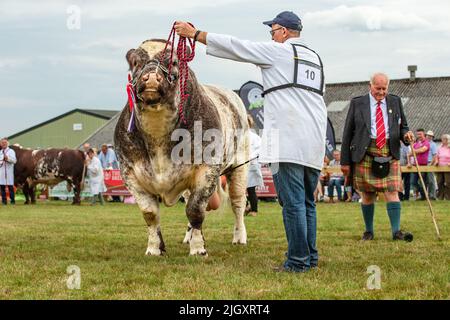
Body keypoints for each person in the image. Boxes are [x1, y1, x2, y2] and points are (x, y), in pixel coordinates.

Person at [175, 10, 327, 273]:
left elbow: (238, 47)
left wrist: (195, 35)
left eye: (273, 31)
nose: (271, 36)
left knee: (292, 204)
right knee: (307, 203)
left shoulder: (279, 51)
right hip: (313, 139)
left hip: (287, 140)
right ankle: (309, 257)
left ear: (284, 32)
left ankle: (298, 261)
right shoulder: (315, 58)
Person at [341, 73, 414, 242]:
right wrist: (345, 161)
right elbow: (347, 134)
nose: (381, 92)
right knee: (367, 194)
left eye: (384, 88)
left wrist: (406, 135)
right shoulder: (357, 103)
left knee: (392, 191)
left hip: (390, 151)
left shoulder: (395, 101)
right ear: (370, 85)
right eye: (378, 88)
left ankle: (396, 232)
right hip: (365, 152)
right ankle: (368, 232)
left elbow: (403, 127)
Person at [245, 115, 263, 217]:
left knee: (251, 189)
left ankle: (254, 210)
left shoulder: (255, 137)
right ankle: (246, 206)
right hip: (240, 166)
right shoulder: (238, 136)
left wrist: (250, 158)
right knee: (238, 189)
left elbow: (259, 150)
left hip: (251, 165)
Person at [409, 129, 430, 201]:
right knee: (413, 182)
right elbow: (410, 153)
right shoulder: (416, 143)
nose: (419, 136)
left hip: (423, 165)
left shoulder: (427, 143)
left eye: (420, 134)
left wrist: (415, 150)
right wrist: (409, 163)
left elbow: (422, 150)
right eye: (417, 134)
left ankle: (424, 197)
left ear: (424, 134)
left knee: (422, 182)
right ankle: (423, 195)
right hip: (415, 165)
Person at [432, 134, 450, 200]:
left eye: (443, 139)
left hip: (448, 168)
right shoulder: (440, 148)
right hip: (439, 167)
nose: (441, 140)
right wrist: (436, 161)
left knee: (448, 182)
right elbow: (437, 156)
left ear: (447, 140)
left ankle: (448, 197)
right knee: (439, 182)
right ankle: (440, 197)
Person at [0, 138, 17, 205]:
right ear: (0, 144)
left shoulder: (11, 151)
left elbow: (14, 161)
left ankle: (12, 201)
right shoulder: (0, 152)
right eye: (2, 143)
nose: (3, 144)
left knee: (10, 187)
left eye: (5, 142)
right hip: (1, 172)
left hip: (9, 171)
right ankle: (4, 202)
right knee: (2, 187)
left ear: (7, 143)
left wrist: (8, 158)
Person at [425, 130, 438, 200]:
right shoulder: (424, 143)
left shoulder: (433, 144)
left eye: (430, 136)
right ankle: (426, 196)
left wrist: (431, 164)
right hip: (423, 163)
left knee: (430, 180)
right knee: (425, 180)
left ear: (432, 137)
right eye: (428, 135)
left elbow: (435, 156)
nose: (429, 137)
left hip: (430, 163)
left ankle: (432, 195)